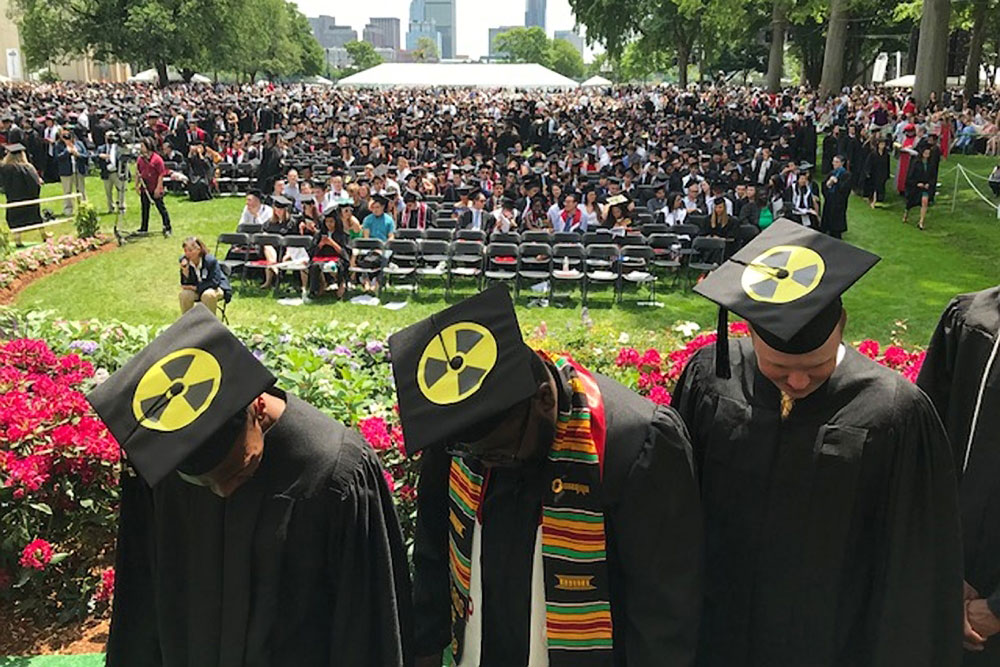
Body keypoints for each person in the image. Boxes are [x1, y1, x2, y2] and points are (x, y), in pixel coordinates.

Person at [672, 219, 963, 667]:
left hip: (836, 643)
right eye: (779, 369)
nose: (798, 380)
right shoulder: (712, 379)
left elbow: (916, 566)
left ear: (842, 324)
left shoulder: (894, 413)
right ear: (748, 332)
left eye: (817, 364)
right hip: (718, 634)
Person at [389, 287, 703, 667]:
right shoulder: (465, 430)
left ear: (544, 400)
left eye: (501, 453)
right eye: (475, 455)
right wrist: (425, 647)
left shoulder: (633, 443)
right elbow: (433, 548)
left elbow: (662, 609)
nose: (487, 465)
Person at [86, 305, 413, 667]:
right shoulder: (164, 455)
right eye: (202, 483)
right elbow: (140, 595)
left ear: (257, 405)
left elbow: (365, 629)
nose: (224, 492)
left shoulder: (335, 470)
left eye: (237, 471)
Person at [918, 286, 1000, 664]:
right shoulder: (970, 319)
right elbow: (922, 453)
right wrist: (940, 570)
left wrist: (995, 608)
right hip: (944, 584)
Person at [0, 143, 43, 245]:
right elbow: (36, 184)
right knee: (35, 217)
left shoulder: (6, 169)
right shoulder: (29, 167)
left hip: (14, 198)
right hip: (30, 199)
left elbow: (2, 184)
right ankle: (44, 235)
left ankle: (18, 240)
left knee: (15, 220)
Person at [178, 236, 231, 316]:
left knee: (208, 295)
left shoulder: (210, 261)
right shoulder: (185, 261)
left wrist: (196, 288)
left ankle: (209, 324)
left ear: (198, 250)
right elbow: (185, 285)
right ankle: (188, 323)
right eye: (185, 251)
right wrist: (185, 272)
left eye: (190, 250)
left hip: (215, 288)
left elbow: (214, 282)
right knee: (184, 295)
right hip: (198, 290)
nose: (187, 253)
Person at [308, 209, 350, 300]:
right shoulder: (319, 234)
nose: (329, 224)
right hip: (322, 258)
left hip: (337, 258)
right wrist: (321, 244)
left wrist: (332, 243)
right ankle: (315, 289)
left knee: (340, 265)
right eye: (327, 221)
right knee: (314, 265)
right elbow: (312, 251)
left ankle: (341, 284)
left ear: (336, 222)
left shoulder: (342, 234)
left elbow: (344, 253)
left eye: (331, 221)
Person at [136, 137, 172, 237]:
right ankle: (144, 227)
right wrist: (137, 185)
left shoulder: (157, 159)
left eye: (142, 146)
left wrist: (158, 188)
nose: (141, 148)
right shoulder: (140, 159)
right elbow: (138, 172)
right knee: (144, 208)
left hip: (155, 186)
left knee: (161, 207)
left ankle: (167, 226)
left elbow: (161, 174)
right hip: (145, 187)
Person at [55, 128, 89, 216]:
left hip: (78, 170)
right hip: (66, 172)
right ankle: (68, 210)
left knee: (81, 190)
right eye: (64, 136)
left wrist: (78, 154)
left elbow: (86, 155)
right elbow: (57, 157)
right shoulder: (59, 145)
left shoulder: (79, 144)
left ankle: (84, 207)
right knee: (67, 191)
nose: (66, 137)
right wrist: (67, 151)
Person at [95, 131, 126, 214]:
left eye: (111, 136)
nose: (109, 138)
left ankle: (121, 207)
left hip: (116, 172)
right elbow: (94, 157)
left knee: (121, 190)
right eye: (108, 136)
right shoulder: (101, 148)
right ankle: (110, 208)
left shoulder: (118, 147)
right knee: (108, 192)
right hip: (106, 173)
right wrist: (100, 156)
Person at [820, 154, 850, 239]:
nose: (834, 164)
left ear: (842, 163)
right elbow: (824, 184)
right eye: (833, 161)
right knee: (827, 216)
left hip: (838, 201)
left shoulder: (846, 175)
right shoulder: (832, 173)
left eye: (836, 162)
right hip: (830, 199)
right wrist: (828, 184)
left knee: (836, 219)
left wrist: (837, 182)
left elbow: (845, 188)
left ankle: (835, 232)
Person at [903, 145, 933, 230]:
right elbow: (910, 176)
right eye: (925, 153)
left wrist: (928, 184)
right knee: (911, 202)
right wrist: (916, 183)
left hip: (925, 187)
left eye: (928, 153)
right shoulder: (916, 163)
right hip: (915, 186)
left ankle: (921, 222)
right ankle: (906, 213)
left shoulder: (930, 164)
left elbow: (932, 176)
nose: (927, 155)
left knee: (924, 201)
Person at [863, 136, 891, 209]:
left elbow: (887, 165)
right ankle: (872, 201)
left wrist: (887, 174)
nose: (882, 146)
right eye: (881, 144)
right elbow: (868, 164)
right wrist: (867, 172)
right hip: (874, 173)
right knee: (873, 188)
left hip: (882, 173)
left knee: (880, 188)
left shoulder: (886, 155)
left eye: (883, 144)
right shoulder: (873, 154)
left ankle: (879, 201)